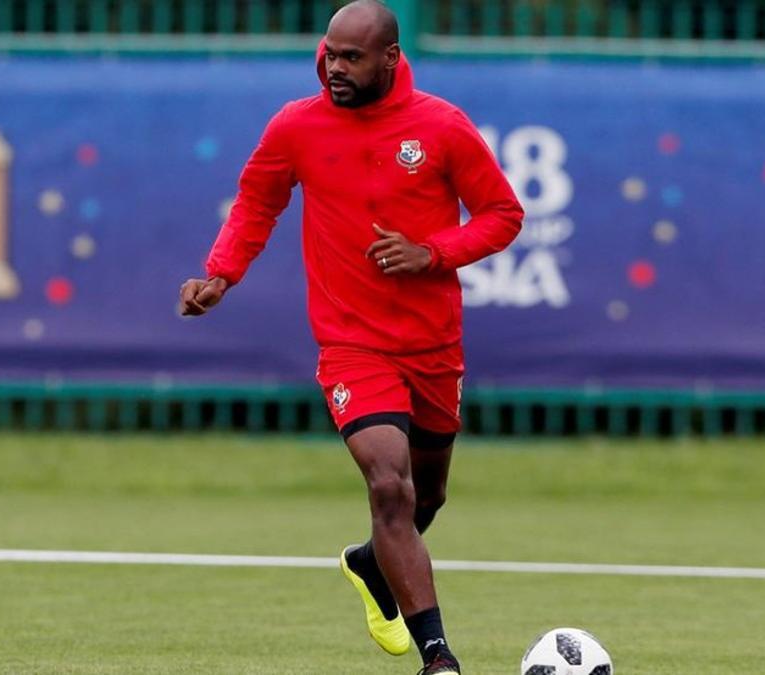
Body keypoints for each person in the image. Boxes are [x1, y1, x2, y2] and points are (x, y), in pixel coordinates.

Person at [177, 1, 523, 673]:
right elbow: (257, 201)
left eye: (351, 57)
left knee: (427, 495)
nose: (334, 67)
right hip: (350, 345)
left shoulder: (441, 126)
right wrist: (220, 274)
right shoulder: (296, 126)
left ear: (390, 59)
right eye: (330, 54)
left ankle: (370, 562)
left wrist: (433, 252)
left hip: (431, 344)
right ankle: (439, 658)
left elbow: (503, 214)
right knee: (388, 486)